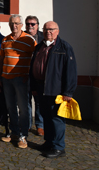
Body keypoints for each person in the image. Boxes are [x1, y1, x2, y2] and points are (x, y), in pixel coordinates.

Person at [30, 21, 77, 158]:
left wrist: (68, 92)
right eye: (45, 30)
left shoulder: (64, 47)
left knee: (57, 118)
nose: (48, 32)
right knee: (46, 117)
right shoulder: (39, 46)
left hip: (56, 89)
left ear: (58, 31)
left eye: (51, 30)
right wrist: (33, 87)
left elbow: (71, 71)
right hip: (41, 87)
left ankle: (59, 147)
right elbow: (33, 67)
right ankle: (49, 142)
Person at [0, 14, 36, 149]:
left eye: (17, 23)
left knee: (23, 109)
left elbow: (35, 59)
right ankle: (14, 132)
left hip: (21, 79)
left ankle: (23, 136)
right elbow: (1, 59)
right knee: (11, 107)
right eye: (12, 23)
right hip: (6, 79)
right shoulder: (5, 40)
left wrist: (29, 75)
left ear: (21, 25)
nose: (14, 26)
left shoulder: (29, 40)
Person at [25, 15, 44, 136]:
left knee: (39, 101)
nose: (30, 26)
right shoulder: (22, 37)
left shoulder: (43, 37)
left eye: (33, 24)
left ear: (37, 25)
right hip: (25, 73)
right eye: (28, 24)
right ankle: (27, 124)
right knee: (26, 101)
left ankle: (40, 125)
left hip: (38, 74)